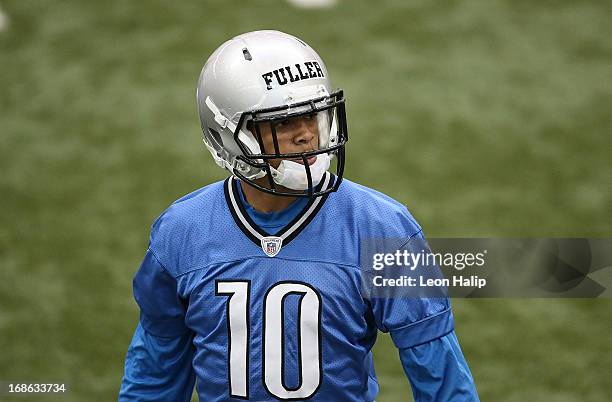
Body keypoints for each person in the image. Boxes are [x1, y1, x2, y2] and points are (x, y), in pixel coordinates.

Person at [119, 30, 479, 401]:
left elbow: (442, 379)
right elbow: (154, 377)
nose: (307, 134)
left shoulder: (382, 227)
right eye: (282, 123)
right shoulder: (181, 232)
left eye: (313, 115)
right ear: (228, 137)